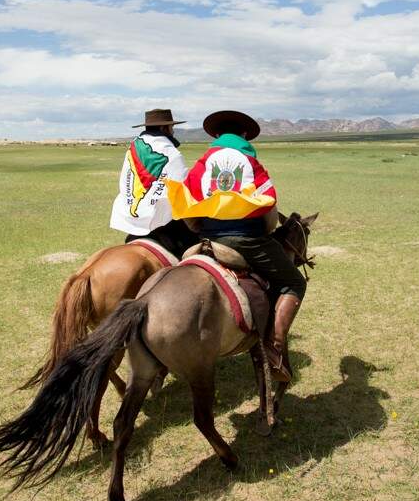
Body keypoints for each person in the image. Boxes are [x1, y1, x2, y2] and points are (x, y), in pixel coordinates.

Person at [173, 110, 306, 382]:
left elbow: (186, 201)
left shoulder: (203, 162)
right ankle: (274, 347)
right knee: (294, 281)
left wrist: (201, 230)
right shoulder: (250, 161)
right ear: (244, 135)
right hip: (248, 239)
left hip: (209, 239)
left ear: (217, 135)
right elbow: (268, 204)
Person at [109, 108, 198, 257]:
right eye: (172, 127)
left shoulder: (133, 148)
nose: (173, 132)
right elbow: (181, 189)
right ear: (164, 128)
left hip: (132, 216)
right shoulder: (171, 153)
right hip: (163, 222)